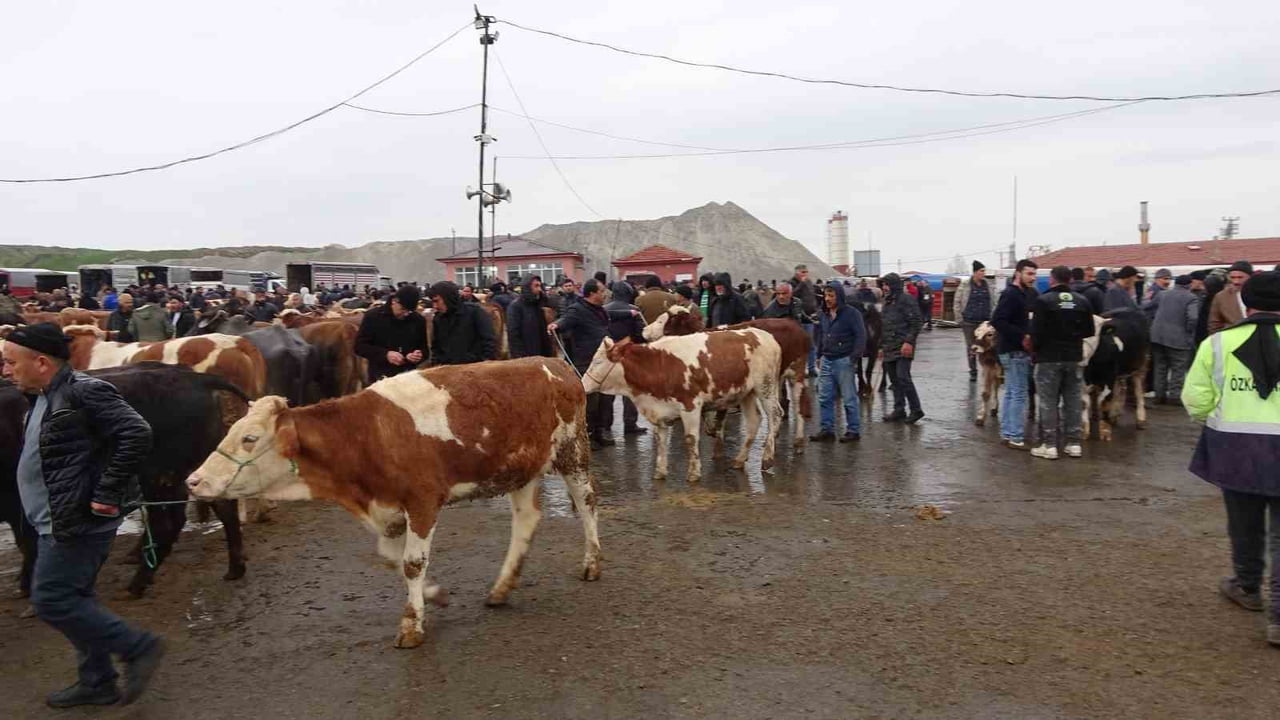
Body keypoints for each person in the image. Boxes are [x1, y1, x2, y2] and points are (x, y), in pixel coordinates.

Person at [2, 324, 164, 708]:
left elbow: (136, 433)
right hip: (52, 517)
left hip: (77, 521)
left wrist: (106, 493)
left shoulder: (83, 390)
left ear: (41, 362)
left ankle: (138, 647)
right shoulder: (40, 395)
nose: (5, 370)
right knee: (77, 597)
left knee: (53, 599)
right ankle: (97, 681)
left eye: (10, 362)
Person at [1184, 271, 1280, 648]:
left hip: (1236, 447)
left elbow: (1196, 399)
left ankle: (1247, 585)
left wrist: (1212, 416)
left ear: (1245, 302)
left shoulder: (1218, 344)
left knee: (1244, 523)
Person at [547, 279, 641, 449]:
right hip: (586, 361)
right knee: (591, 401)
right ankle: (587, 437)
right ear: (592, 294)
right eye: (601, 291)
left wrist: (629, 313)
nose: (605, 294)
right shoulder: (577, 309)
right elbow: (566, 320)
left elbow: (612, 314)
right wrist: (556, 324)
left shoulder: (599, 309)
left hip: (602, 360)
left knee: (604, 399)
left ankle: (598, 433)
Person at [1028, 266, 1096, 460]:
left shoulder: (1043, 301)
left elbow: (1036, 332)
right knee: (1073, 399)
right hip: (1074, 357)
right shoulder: (1082, 301)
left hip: (1048, 358)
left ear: (1052, 279)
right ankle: (1074, 444)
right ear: (1071, 280)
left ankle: (1049, 445)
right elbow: (1089, 330)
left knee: (1048, 401)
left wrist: (1038, 350)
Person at [809, 282, 867, 442]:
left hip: (844, 360)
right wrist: (819, 356)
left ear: (839, 297)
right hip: (827, 360)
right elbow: (819, 336)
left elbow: (861, 336)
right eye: (826, 295)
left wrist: (853, 357)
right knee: (824, 396)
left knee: (849, 397)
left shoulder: (852, 314)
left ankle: (853, 430)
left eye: (831, 296)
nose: (827, 299)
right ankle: (827, 429)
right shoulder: (823, 314)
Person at [992, 259, 1038, 449]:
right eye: (1029, 274)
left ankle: (1008, 433)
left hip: (1014, 350)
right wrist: (1023, 336)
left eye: (1035, 274)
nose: (1033, 278)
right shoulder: (1011, 295)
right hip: (1014, 350)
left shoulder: (1026, 294)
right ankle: (1016, 436)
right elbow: (998, 320)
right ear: (1018, 273)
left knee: (1012, 392)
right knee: (1019, 394)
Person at [355, 285, 429, 383]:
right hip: (380, 378)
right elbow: (360, 347)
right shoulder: (373, 317)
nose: (406, 314)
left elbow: (424, 349)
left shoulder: (418, 320)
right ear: (394, 301)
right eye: (403, 309)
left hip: (408, 377)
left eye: (410, 311)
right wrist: (385, 354)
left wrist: (417, 356)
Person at [602, 282, 648, 437]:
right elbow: (640, 333)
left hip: (610, 354)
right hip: (629, 354)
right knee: (629, 391)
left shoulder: (604, 309)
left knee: (608, 391)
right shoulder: (633, 310)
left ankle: (605, 425)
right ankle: (630, 424)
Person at [1149, 275, 1202, 405]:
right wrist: (1189, 332)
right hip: (1179, 338)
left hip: (1157, 336)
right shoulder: (1191, 298)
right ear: (1189, 285)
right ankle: (1174, 397)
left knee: (1160, 367)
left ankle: (1159, 396)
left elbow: (1148, 307)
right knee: (1178, 368)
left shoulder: (1162, 294)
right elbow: (1193, 318)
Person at [879, 273, 924, 423]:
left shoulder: (906, 300)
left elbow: (917, 322)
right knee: (894, 379)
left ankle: (916, 409)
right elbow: (883, 326)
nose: (884, 287)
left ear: (894, 285)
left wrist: (909, 342)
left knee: (903, 377)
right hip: (889, 346)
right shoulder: (887, 302)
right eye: (883, 284)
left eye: (887, 284)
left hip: (903, 345)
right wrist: (880, 346)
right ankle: (899, 409)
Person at [425, 281, 496, 366]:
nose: (435, 306)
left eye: (437, 301)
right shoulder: (438, 318)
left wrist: (484, 363)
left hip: (475, 369)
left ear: (448, 298)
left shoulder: (474, 312)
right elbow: (436, 347)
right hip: (448, 371)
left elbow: (489, 342)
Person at [955, 260, 994, 382]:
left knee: (987, 346)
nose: (983, 273)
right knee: (971, 347)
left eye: (984, 271)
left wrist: (992, 318)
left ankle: (986, 369)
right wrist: (959, 319)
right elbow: (957, 302)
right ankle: (973, 371)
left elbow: (994, 300)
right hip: (969, 321)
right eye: (981, 271)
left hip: (984, 322)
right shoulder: (965, 285)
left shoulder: (987, 284)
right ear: (975, 272)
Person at [506, 276, 555, 359]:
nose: (539, 289)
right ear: (527, 287)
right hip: (525, 356)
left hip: (541, 355)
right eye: (536, 286)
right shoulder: (515, 307)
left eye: (540, 286)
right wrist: (520, 356)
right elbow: (513, 334)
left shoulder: (537, 306)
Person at [1209, 261, 1253, 334]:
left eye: (1240, 277)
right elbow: (1214, 324)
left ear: (1250, 277)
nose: (1236, 281)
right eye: (1233, 278)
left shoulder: (1260, 293)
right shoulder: (1221, 297)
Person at [790, 265, 819, 376]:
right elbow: (792, 296)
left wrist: (815, 309)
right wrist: (801, 284)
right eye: (803, 272)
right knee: (799, 345)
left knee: (810, 343)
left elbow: (812, 297)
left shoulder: (809, 282)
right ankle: (801, 367)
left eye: (806, 271)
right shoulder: (792, 283)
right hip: (798, 318)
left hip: (810, 317)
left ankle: (812, 367)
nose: (805, 274)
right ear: (797, 273)